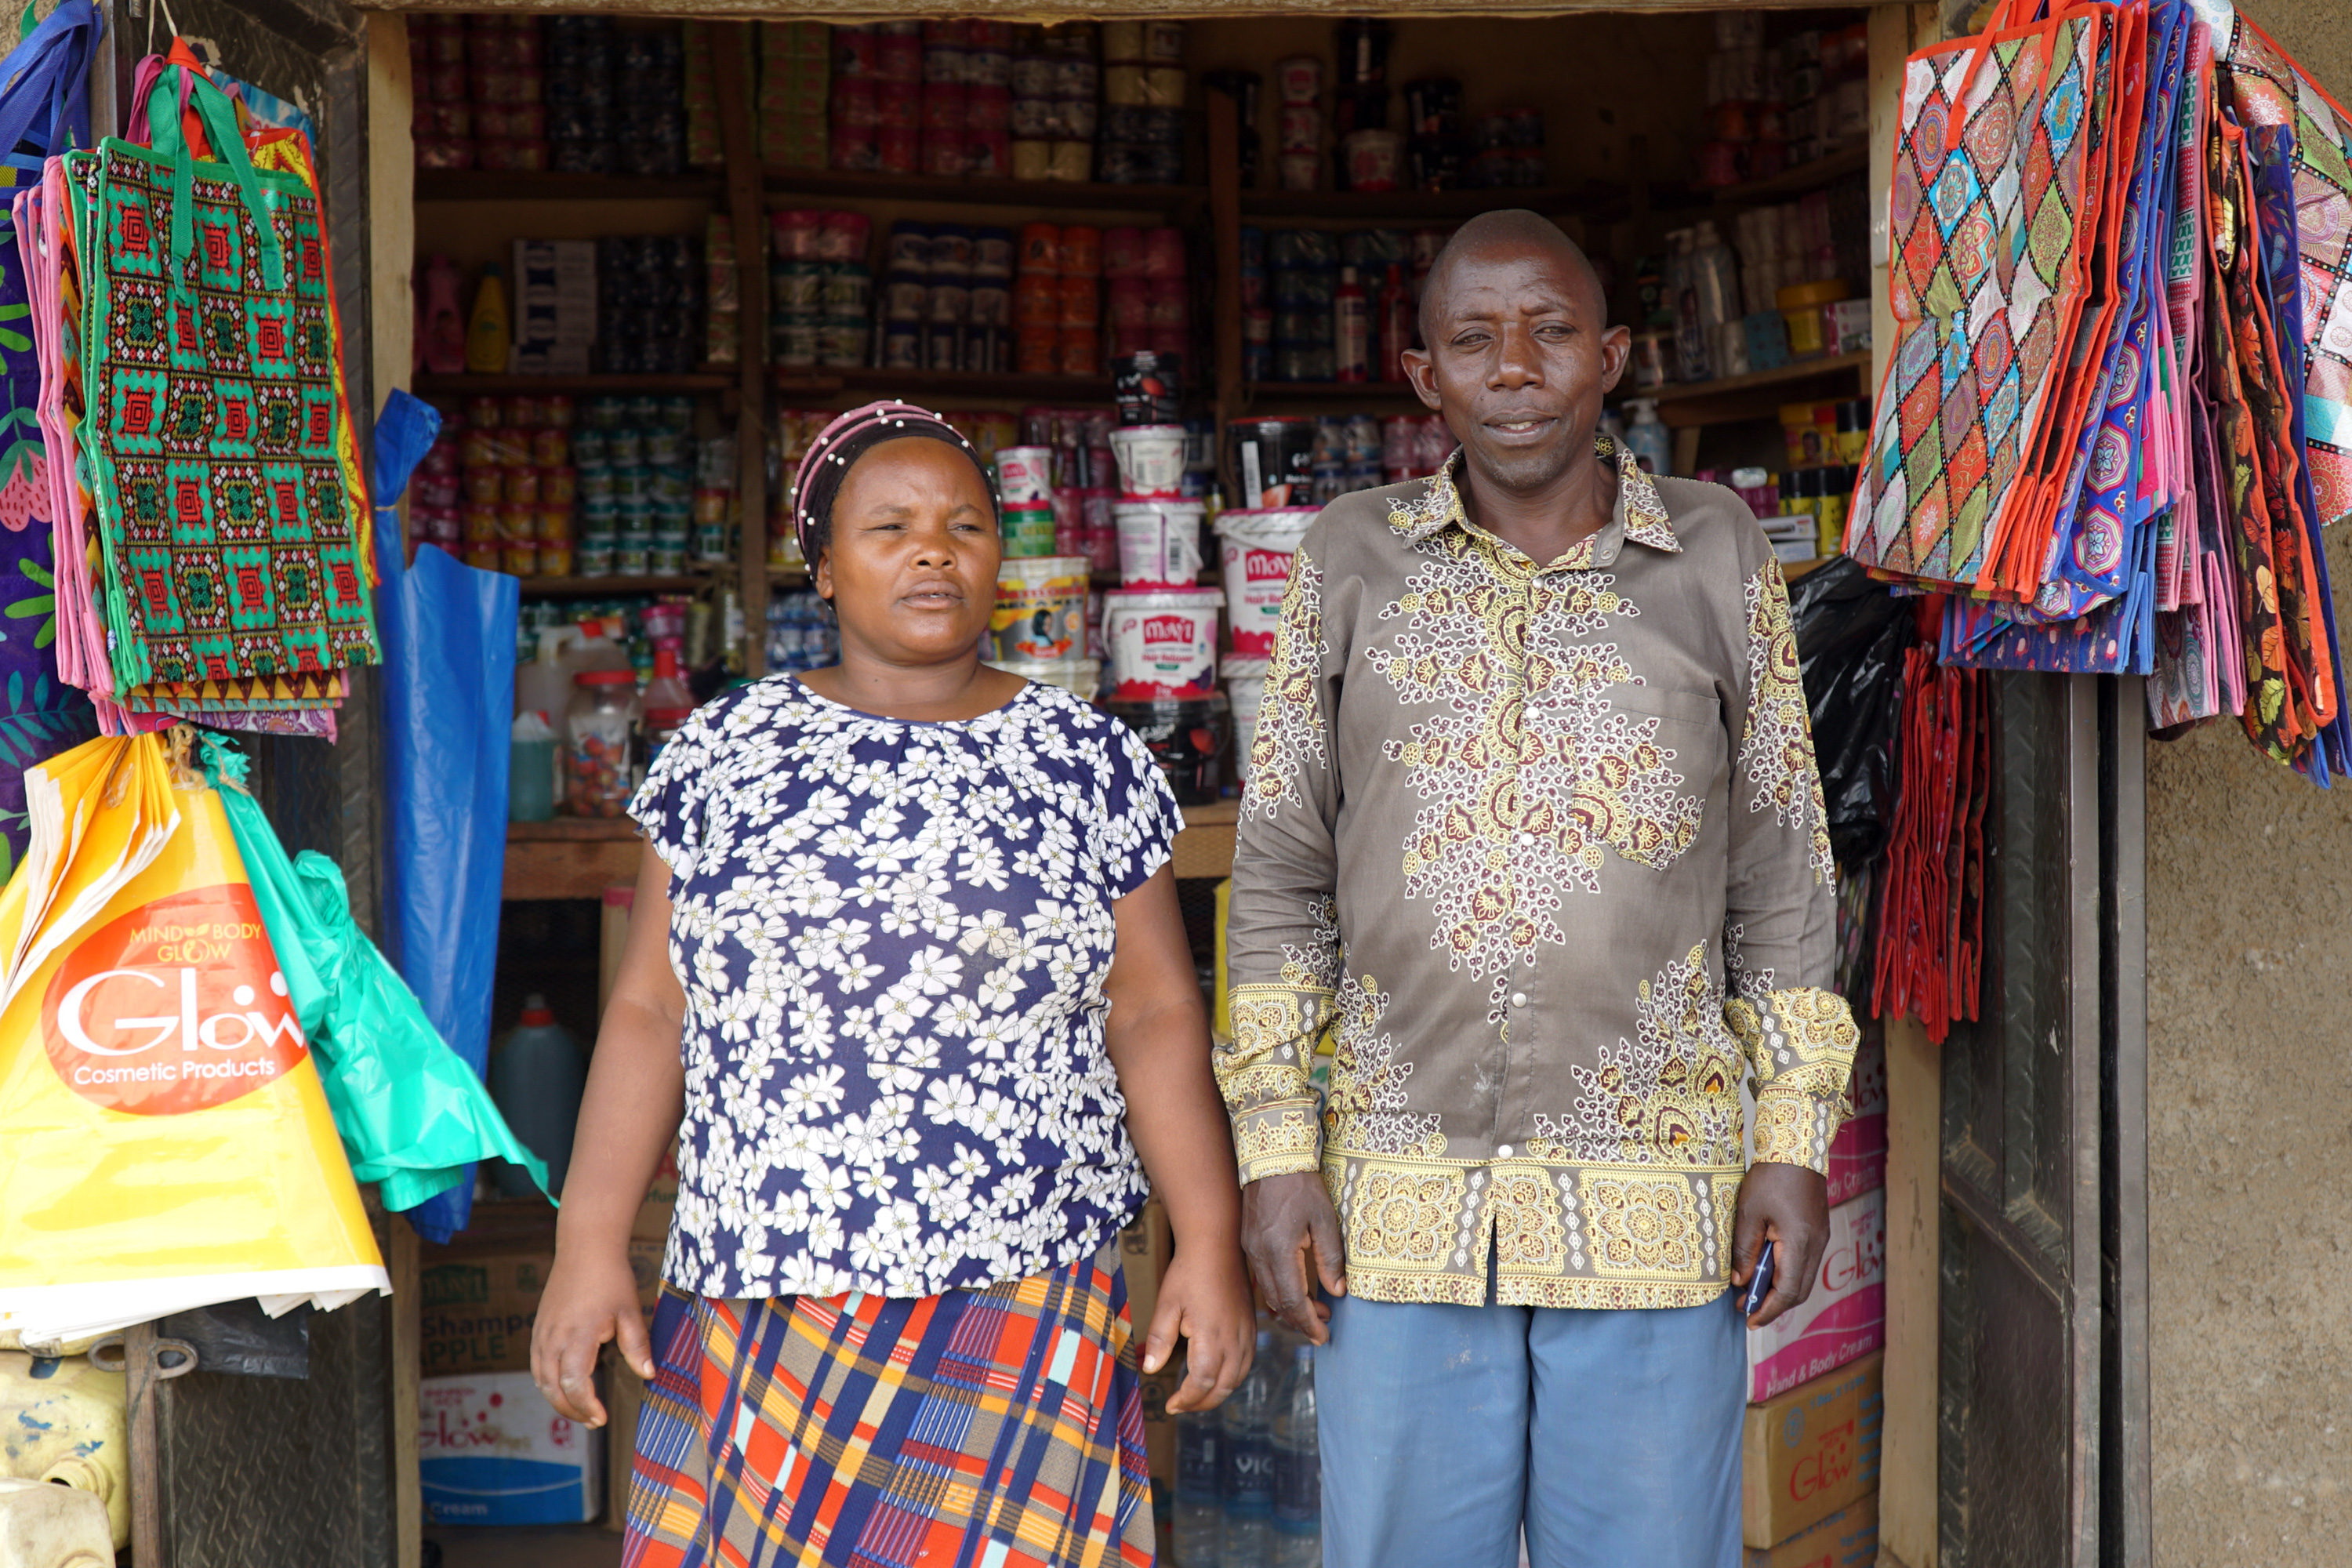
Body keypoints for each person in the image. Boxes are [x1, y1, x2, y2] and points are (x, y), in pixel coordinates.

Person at [1221, 212, 1860, 1567]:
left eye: (1552, 331)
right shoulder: (1348, 555)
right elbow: (1279, 869)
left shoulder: (1716, 550)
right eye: (1474, 339)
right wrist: (1277, 1159)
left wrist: (1792, 1140)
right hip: (1396, 1195)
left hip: (1656, 1189)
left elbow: (1783, 863)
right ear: (1423, 377)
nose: (1515, 367)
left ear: (1613, 358)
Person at [532, 401, 1256, 1568]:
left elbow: (1156, 1010)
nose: (934, 549)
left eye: (967, 525)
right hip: (775, 1279)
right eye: (891, 527)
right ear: (823, 565)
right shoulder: (723, 753)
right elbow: (650, 1008)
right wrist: (588, 1245)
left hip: (1024, 1278)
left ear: (999, 561)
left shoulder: (1086, 757)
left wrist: (1207, 1243)